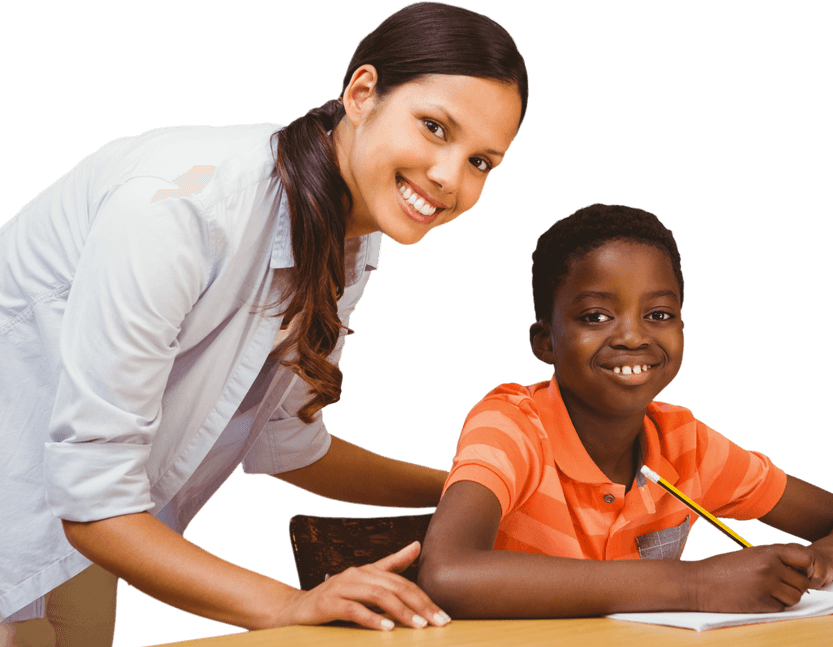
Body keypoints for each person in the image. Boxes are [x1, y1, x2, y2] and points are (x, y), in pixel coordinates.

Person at [0, 2, 527, 643]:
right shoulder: (181, 210)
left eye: (482, 163)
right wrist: (287, 605)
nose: (449, 177)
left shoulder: (351, 239)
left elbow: (288, 446)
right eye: (435, 128)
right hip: (52, 510)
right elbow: (93, 502)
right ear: (362, 94)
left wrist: (476, 490)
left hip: (64, 536)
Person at [417, 203, 833, 618]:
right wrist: (695, 585)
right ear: (545, 342)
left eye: (659, 315)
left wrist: (819, 564)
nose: (632, 336)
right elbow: (448, 572)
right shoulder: (512, 425)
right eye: (596, 317)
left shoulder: (685, 443)